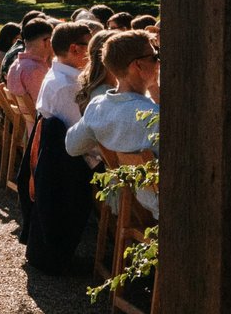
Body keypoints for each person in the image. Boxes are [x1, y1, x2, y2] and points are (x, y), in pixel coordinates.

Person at [25, 21, 99, 270]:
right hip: (67, 163)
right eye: (90, 47)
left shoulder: (57, 74)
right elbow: (81, 136)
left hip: (56, 156)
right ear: (76, 50)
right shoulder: (69, 85)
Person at [66, 29, 160, 216]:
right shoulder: (151, 116)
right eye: (155, 56)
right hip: (157, 207)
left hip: (126, 200)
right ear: (138, 66)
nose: (159, 62)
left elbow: (72, 146)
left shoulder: (99, 107)